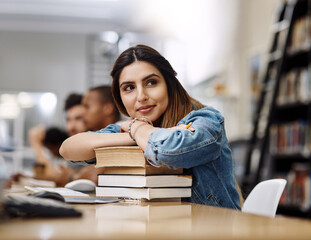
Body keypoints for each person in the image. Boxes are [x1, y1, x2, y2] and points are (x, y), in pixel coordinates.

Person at [60, 44, 242, 209]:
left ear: (169, 85)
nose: (141, 96)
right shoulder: (131, 128)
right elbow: (68, 149)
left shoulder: (206, 120)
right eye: (129, 88)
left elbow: (165, 151)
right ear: (120, 97)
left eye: (151, 82)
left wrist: (138, 129)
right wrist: (132, 134)